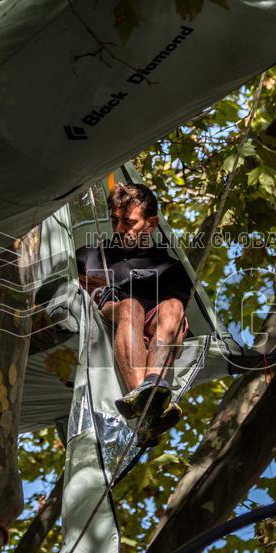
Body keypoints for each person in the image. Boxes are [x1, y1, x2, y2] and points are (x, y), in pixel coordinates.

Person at [76, 182, 192, 439]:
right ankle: (143, 403)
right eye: (114, 220)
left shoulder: (171, 269)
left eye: (128, 222)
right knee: (131, 307)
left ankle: (152, 386)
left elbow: (172, 321)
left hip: (154, 339)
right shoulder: (89, 256)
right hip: (111, 319)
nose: (118, 229)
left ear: (151, 224)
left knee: (173, 306)